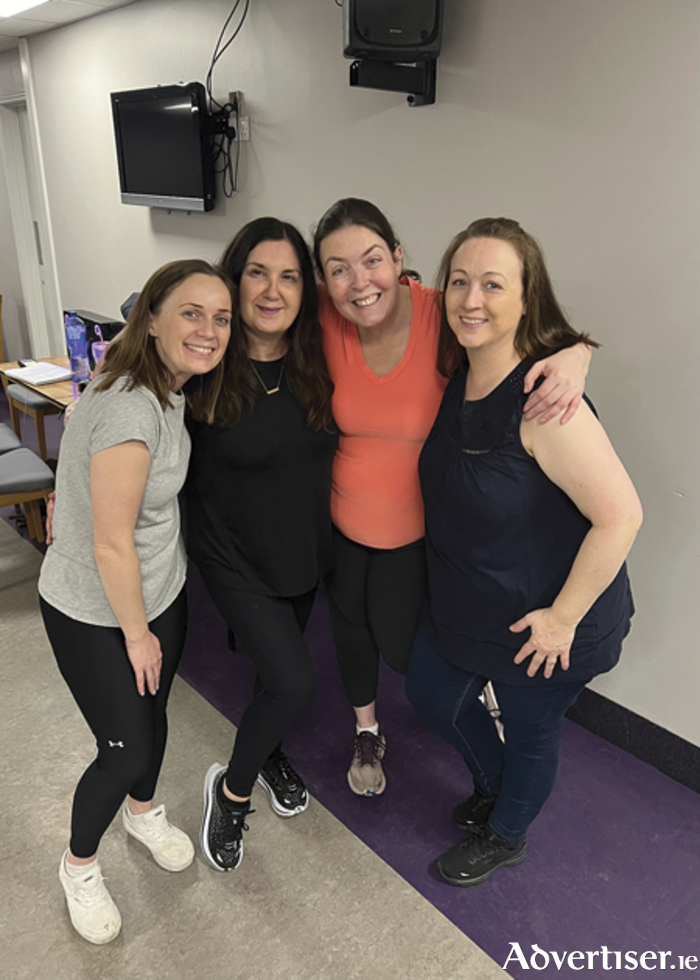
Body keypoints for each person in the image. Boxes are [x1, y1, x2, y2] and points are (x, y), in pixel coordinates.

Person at [312, 198, 592, 797]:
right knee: (350, 632)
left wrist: (578, 356)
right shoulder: (325, 318)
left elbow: (532, 330)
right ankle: (367, 730)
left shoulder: (446, 311)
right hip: (342, 519)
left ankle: (484, 703)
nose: (358, 283)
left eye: (370, 261)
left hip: (421, 529)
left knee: (403, 646)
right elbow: (249, 304)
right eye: (338, 269)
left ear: (397, 257)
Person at [405, 217, 642, 886]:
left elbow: (621, 516)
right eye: (459, 281)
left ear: (525, 296)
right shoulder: (462, 372)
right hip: (471, 603)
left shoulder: (548, 405)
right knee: (431, 693)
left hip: (546, 619)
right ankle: (498, 785)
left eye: (492, 284)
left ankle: (507, 832)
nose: (471, 299)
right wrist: (579, 346)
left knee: (534, 730)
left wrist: (563, 617)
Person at [39, 260, 233, 942]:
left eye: (221, 317)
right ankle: (79, 865)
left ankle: (143, 812)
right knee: (122, 748)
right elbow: (111, 542)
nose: (208, 330)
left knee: (153, 720)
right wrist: (137, 634)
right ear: (150, 317)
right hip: (95, 608)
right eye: (191, 313)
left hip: (158, 589)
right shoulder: (129, 405)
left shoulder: (169, 387)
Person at [186, 218, 337, 872]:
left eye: (289, 276)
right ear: (235, 278)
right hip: (231, 554)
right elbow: (140, 351)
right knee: (295, 682)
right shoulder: (204, 361)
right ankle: (231, 790)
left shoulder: (321, 360)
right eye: (257, 273)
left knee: (274, 679)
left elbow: (411, 307)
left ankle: (267, 747)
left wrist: (571, 351)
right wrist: (94, 398)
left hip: (302, 551)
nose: (273, 290)